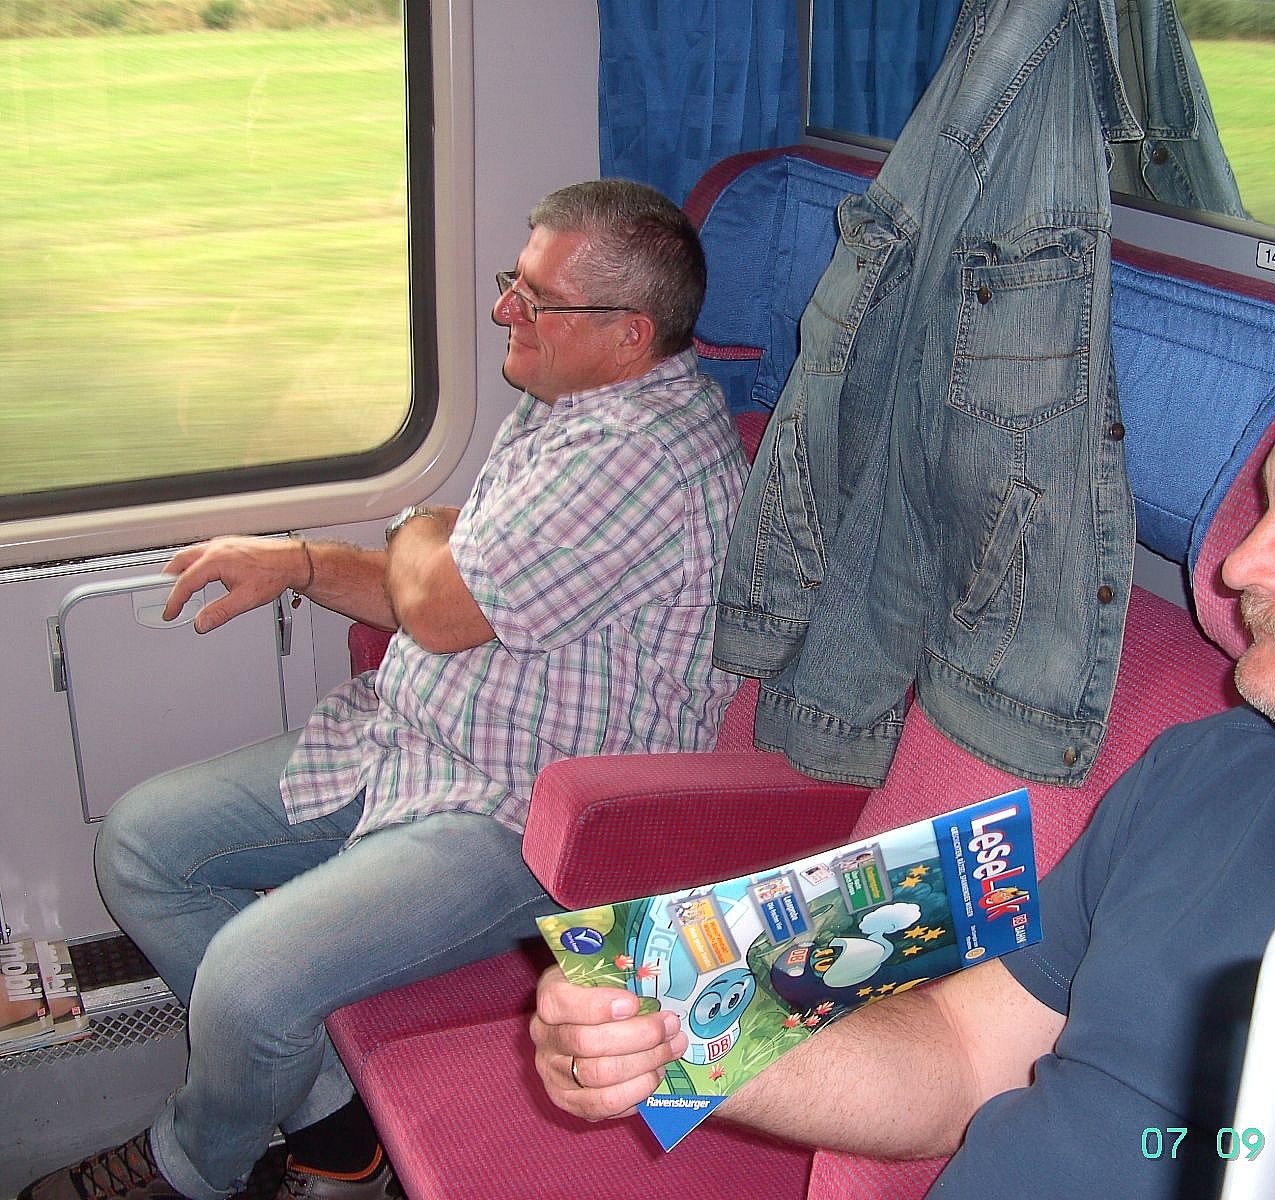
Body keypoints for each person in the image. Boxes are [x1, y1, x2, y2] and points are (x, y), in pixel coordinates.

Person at [530, 331, 1275, 1198]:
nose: (1235, 566)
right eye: (1262, 507)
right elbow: (962, 1050)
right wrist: (676, 1043)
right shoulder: (1203, 767)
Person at [23, 180, 749, 1200]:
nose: (503, 308)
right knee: (140, 847)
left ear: (629, 334)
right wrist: (305, 563)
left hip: (530, 812)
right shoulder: (569, 406)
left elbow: (440, 603)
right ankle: (333, 1127)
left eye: (536, 298)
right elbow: (441, 592)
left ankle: (193, 1168)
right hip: (416, 741)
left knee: (248, 983)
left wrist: (417, 529)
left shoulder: (639, 454)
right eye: (514, 281)